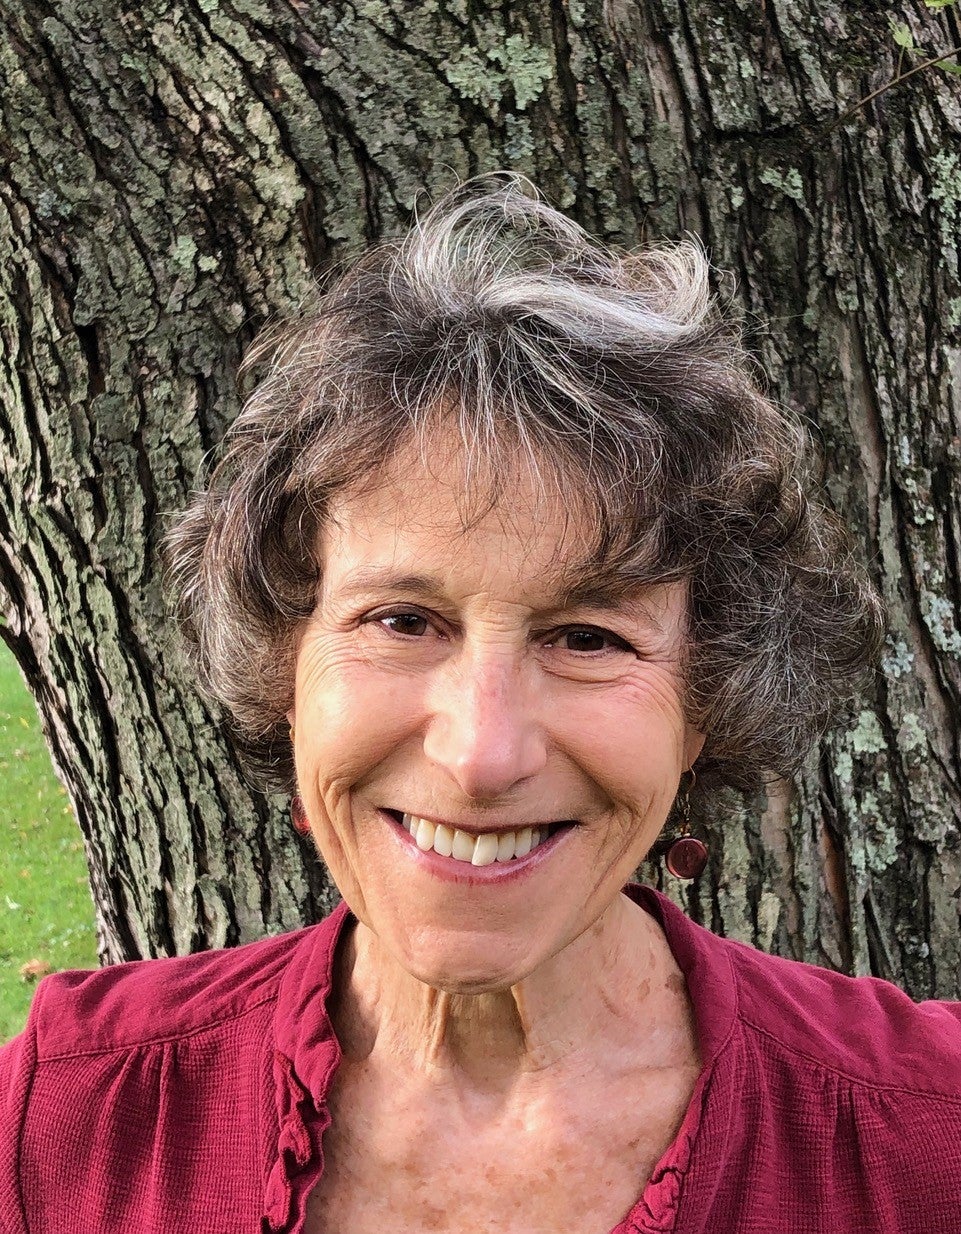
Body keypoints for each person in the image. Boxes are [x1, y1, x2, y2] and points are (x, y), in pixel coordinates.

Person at [2, 174, 960, 1234]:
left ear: (706, 699)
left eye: (587, 637)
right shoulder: (68, 1123)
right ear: (285, 665)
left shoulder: (926, 1139)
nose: (479, 754)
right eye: (402, 621)